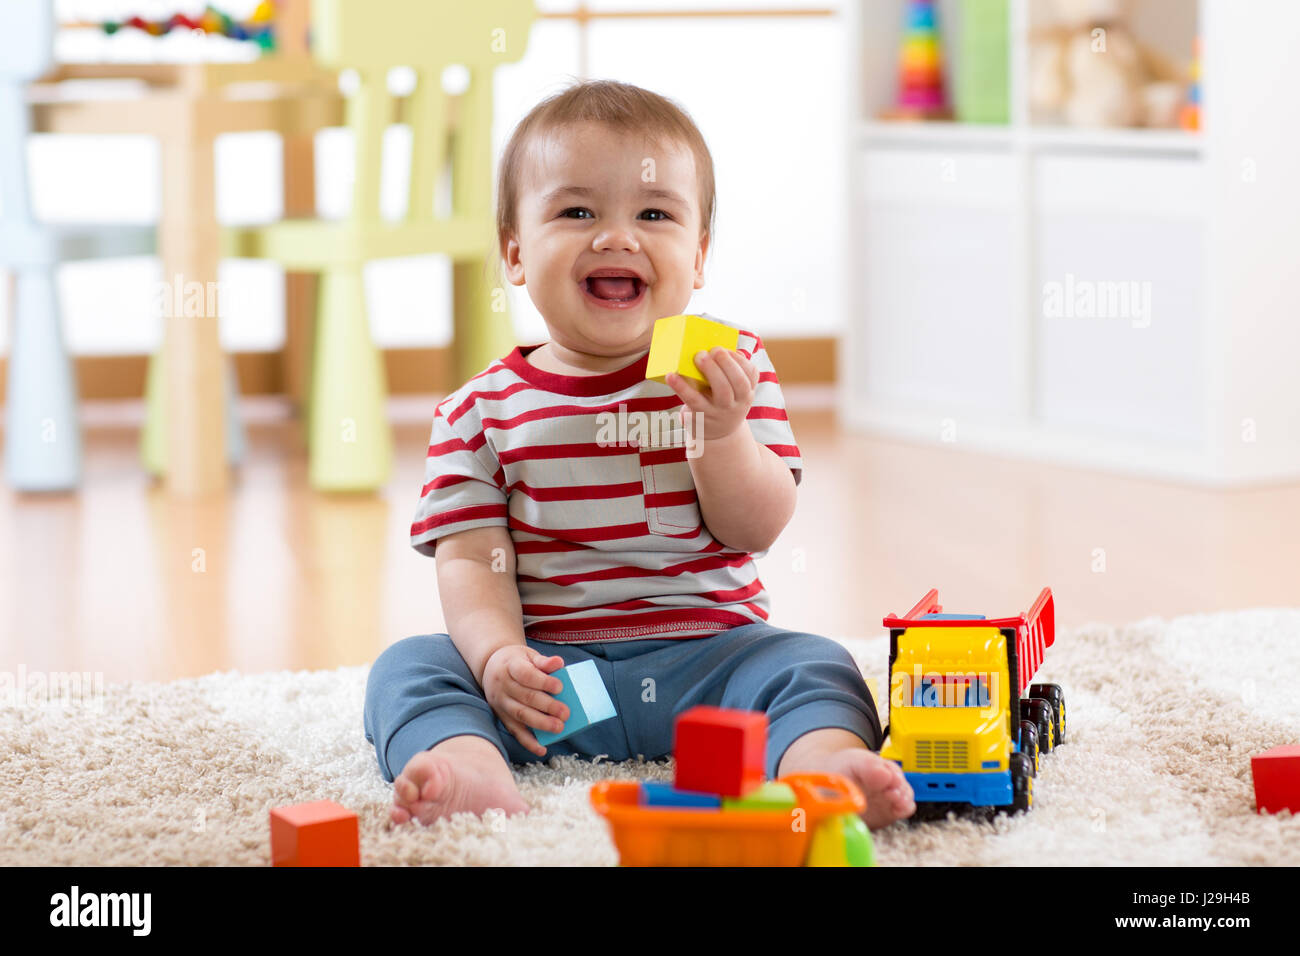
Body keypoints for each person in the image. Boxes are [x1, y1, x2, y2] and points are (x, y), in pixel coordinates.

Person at [363, 79, 915, 830]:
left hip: (713, 666)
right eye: (577, 211)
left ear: (698, 255)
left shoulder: (729, 367)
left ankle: (819, 767)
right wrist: (498, 662)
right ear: (515, 253)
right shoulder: (478, 411)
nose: (616, 236)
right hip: (555, 687)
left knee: (814, 663)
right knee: (410, 668)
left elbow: (756, 528)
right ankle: (470, 768)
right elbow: (469, 561)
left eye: (653, 214)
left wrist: (720, 434)